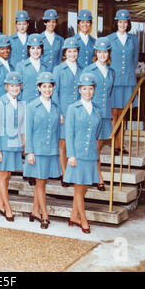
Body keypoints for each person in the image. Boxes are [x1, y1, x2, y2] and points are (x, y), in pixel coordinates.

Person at [64, 73, 102, 234]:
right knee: (79, 188)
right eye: (84, 89)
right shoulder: (73, 108)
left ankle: (73, 216)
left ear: (94, 90)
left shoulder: (97, 110)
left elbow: (97, 133)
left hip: (90, 155)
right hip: (77, 155)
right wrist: (71, 154)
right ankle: (83, 220)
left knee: (83, 188)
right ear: (79, 90)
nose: (87, 92)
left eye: (90, 89)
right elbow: (69, 133)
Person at [24, 72, 61, 229]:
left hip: (50, 150)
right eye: (44, 86)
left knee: (42, 181)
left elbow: (56, 131)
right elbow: (28, 130)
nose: (47, 89)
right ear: (39, 88)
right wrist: (29, 152)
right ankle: (44, 215)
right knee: (40, 183)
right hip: (37, 151)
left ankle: (34, 211)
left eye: (50, 86)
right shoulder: (32, 106)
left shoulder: (55, 107)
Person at [0, 72, 25, 222]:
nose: (14, 88)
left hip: (15, 145)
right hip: (4, 146)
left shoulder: (20, 103)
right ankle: (7, 208)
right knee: (3, 176)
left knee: (8, 176)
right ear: (6, 87)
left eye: (17, 85)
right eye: (12, 86)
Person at [82, 37, 115, 191]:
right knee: (93, 147)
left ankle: (93, 175)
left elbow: (109, 94)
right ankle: (98, 178)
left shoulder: (111, 72)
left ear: (109, 53)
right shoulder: (89, 69)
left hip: (105, 115)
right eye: (100, 52)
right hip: (92, 113)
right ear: (96, 52)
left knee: (98, 147)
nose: (103, 55)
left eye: (105, 52)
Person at [107, 9, 139, 155]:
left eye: (125, 22)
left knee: (124, 114)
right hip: (114, 81)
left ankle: (121, 144)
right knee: (114, 113)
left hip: (128, 81)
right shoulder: (109, 39)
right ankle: (115, 145)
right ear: (116, 23)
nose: (123, 24)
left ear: (128, 24)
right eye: (120, 22)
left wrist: (128, 74)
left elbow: (135, 60)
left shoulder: (134, 39)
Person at [52, 37, 82, 187]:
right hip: (63, 111)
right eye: (69, 51)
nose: (72, 54)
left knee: (75, 143)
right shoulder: (58, 69)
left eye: (75, 51)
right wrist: (59, 112)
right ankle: (64, 174)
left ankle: (73, 172)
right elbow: (54, 92)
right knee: (62, 144)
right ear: (65, 53)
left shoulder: (82, 69)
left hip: (78, 113)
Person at [15, 33, 49, 103]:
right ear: (29, 50)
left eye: (38, 48)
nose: (35, 51)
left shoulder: (45, 67)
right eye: (33, 48)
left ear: (41, 49)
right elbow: (17, 90)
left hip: (42, 104)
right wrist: (21, 109)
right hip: (26, 103)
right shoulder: (21, 66)